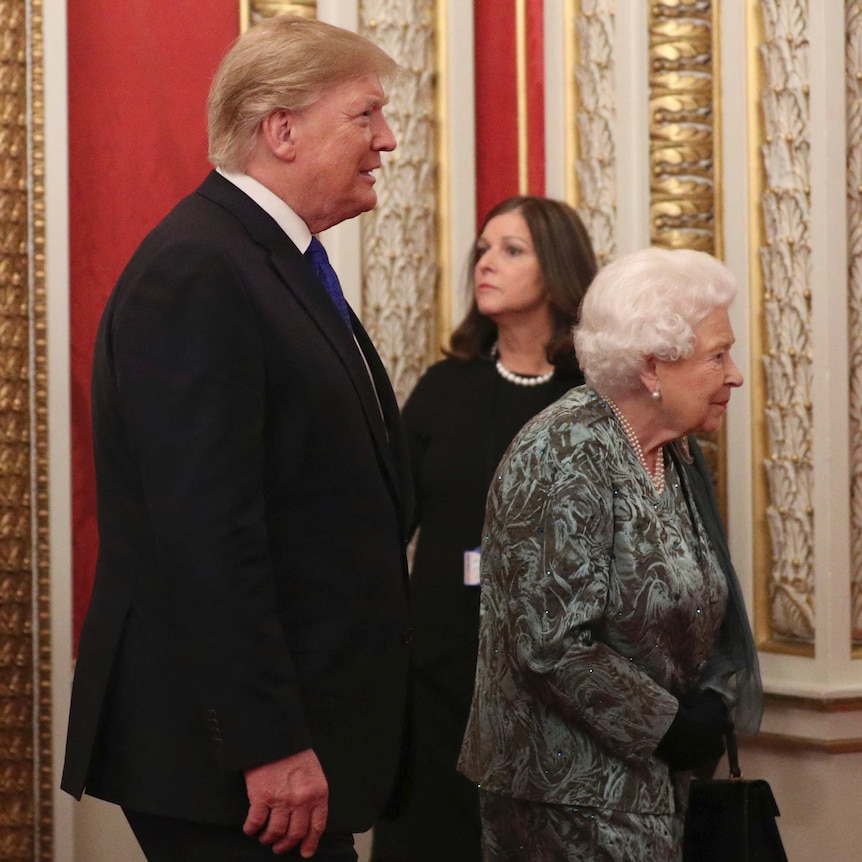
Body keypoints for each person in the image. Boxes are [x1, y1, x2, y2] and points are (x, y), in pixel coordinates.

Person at [61, 14, 413, 862]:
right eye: (364, 116)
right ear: (281, 129)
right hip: (240, 764)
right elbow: (205, 533)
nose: (387, 141)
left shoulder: (267, 260)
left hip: (291, 740)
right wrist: (267, 741)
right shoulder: (202, 269)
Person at [458, 247, 763, 861]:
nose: (734, 374)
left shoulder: (673, 455)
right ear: (653, 367)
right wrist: (671, 724)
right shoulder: (563, 453)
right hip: (567, 801)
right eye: (717, 355)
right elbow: (550, 643)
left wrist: (710, 701)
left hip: (651, 789)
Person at [371, 196, 598, 862]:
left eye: (512, 250)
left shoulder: (593, 398)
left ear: (558, 271)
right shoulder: (444, 387)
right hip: (440, 679)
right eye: (483, 248)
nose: (486, 263)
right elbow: (384, 526)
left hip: (559, 693)